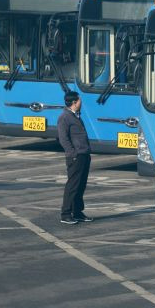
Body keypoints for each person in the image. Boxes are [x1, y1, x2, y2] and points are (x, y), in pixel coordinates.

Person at [57, 91, 93, 224]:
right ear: (74, 103)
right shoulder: (64, 117)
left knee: (81, 185)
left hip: (84, 154)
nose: (81, 102)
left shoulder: (76, 116)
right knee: (72, 185)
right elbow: (63, 138)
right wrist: (72, 153)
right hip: (75, 156)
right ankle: (66, 213)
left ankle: (77, 211)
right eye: (79, 100)